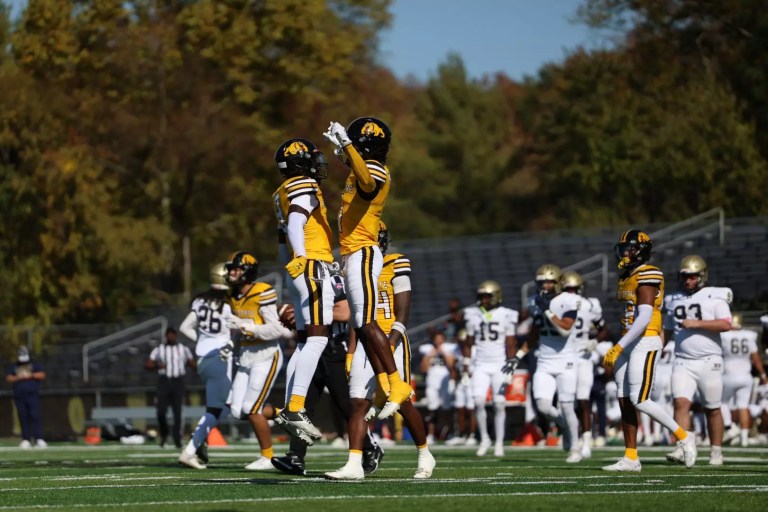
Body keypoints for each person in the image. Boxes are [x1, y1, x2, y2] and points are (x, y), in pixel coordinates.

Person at [327, 222, 435, 480]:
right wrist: (352, 352)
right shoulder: (354, 269)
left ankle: (424, 453)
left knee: (399, 401)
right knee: (357, 403)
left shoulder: (395, 263)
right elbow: (357, 316)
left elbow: (403, 310)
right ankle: (354, 463)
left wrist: (392, 341)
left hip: (390, 339)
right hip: (365, 341)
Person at [323, 117, 414, 420]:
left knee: (367, 323)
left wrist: (348, 147)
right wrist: (345, 151)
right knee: (362, 324)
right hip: (353, 253)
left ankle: (397, 383)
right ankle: (390, 382)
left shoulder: (375, 169)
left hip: (363, 251)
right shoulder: (362, 165)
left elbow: (368, 182)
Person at [271, 270, 383, 476]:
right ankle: (295, 457)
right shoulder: (304, 280)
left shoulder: (333, 278)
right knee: (302, 405)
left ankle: (370, 448)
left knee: (346, 406)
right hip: (311, 351)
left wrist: (302, 314)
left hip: (334, 351)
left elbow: (345, 312)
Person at [602, 230, 697, 471]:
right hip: (629, 339)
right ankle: (631, 457)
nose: (625, 253)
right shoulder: (627, 275)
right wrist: (622, 343)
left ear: (641, 250)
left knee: (640, 399)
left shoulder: (648, 272)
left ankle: (684, 436)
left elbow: (644, 316)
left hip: (645, 339)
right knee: (625, 400)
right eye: (623, 249)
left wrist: (619, 345)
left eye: (630, 248)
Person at [272, 138, 336, 444]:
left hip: (299, 270)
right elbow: (297, 221)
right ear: (299, 163)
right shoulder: (303, 186)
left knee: (302, 342)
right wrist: (302, 259)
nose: (317, 163)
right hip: (312, 264)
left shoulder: (279, 193)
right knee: (319, 338)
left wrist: (291, 268)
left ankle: (289, 406)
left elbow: (282, 239)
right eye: (312, 158)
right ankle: (296, 407)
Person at [225, 251, 293, 470]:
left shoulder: (262, 292)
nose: (232, 273)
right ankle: (284, 415)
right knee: (237, 411)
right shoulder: (232, 295)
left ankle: (267, 457)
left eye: (236, 269)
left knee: (252, 408)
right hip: (245, 356)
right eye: (231, 269)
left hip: (266, 355)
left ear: (247, 272)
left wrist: (249, 327)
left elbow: (276, 330)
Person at [663, 255, 732, 467]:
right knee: (680, 403)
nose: (687, 281)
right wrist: (654, 349)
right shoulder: (672, 299)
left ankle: (716, 451)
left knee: (712, 408)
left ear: (702, 276)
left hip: (709, 360)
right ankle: (683, 445)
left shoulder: (715, 296)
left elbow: (726, 324)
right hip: (682, 360)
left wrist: (696, 324)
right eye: (685, 277)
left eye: (692, 277)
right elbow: (665, 331)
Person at [177, 262, 236, 470]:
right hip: (219, 360)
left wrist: (202, 339)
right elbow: (241, 326)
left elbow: (184, 327)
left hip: (202, 360)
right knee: (226, 408)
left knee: (223, 407)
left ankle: (198, 437)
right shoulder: (227, 306)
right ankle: (193, 446)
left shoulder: (200, 301)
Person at [527, 270, 583, 463]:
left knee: (567, 407)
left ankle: (575, 447)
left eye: (549, 282)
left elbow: (565, 330)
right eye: (541, 282)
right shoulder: (535, 302)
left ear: (558, 282)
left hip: (566, 361)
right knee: (543, 406)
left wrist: (548, 311)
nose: (544, 286)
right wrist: (517, 356)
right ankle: (565, 427)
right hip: (544, 360)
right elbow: (534, 333)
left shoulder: (569, 300)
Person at [463, 280, 520, 457]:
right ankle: (485, 439)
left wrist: (511, 366)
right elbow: (468, 343)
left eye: (487, 296)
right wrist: (466, 367)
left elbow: (511, 343)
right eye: (481, 296)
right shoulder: (473, 315)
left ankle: (499, 443)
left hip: (499, 364)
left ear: (495, 296)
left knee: (499, 403)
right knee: (478, 401)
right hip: (480, 363)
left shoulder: (506, 315)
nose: (483, 300)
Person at [561, 270, 609, 459]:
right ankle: (572, 438)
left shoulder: (591, 304)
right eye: (568, 289)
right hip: (564, 356)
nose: (572, 292)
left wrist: (595, 341)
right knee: (566, 401)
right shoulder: (558, 304)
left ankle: (586, 442)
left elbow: (603, 328)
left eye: (574, 289)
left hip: (584, 356)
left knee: (583, 399)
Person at [720, 313, 768, 447]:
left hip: (728, 375)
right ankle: (744, 438)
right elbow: (756, 357)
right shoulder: (748, 335)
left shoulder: (724, 336)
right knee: (743, 405)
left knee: (720, 401)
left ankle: (730, 427)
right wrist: (763, 375)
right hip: (746, 376)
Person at [146, 327, 195, 449]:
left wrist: (200, 367)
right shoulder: (159, 349)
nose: (170, 337)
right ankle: (164, 435)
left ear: (176, 336)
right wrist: (158, 365)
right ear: (166, 336)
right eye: (168, 335)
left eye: (172, 335)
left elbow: (191, 362)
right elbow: (148, 364)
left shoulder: (183, 349)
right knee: (160, 411)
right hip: (164, 382)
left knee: (178, 412)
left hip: (178, 381)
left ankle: (177, 439)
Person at [419, 330, 457, 443]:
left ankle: (449, 433)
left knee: (446, 409)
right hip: (432, 382)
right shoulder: (428, 350)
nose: (438, 341)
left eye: (440, 339)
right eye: (436, 339)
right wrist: (430, 355)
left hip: (445, 382)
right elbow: (423, 369)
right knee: (432, 408)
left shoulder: (448, 349)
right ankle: (431, 435)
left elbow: (451, 365)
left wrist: (443, 353)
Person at [5, 346, 46, 449]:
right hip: (19, 395)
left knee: (35, 416)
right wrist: (18, 377)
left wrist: (30, 375)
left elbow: (42, 375)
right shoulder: (14, 365)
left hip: (32, 394)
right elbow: (9, 378)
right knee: (23, 417)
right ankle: (26, 439)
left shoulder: (34, 364)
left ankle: (39, 439)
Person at [447, 328, 478, 446]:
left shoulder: (475, 350)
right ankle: (460, 434)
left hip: (472, 382)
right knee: (459, 408)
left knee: (471, 409)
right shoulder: (457, 350)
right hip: (461, 382)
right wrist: (452, 381)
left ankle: (472, 435)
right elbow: (455, 367)